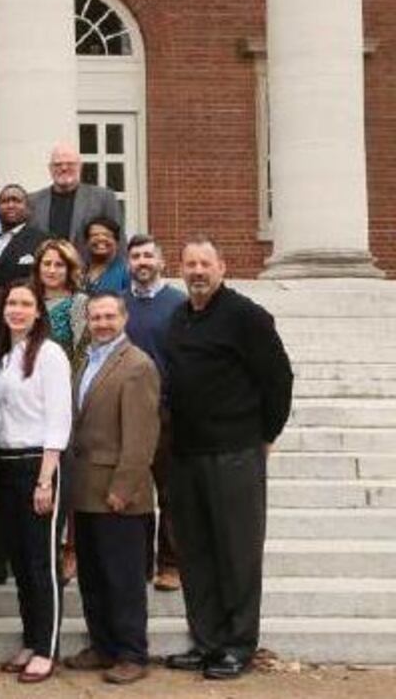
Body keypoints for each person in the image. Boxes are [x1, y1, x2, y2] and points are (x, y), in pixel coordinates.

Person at [162, 238, 292, 682]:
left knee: (237, 554)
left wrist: (267, 434)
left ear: (222, 266)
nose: (197, 271)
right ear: (181, 269)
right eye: (190, 263)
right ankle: (207, 642)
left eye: (205, 263)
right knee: (195, 554)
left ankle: (238, 645)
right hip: (186, 454)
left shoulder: (246, 316)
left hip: (234, 452)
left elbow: (278, 378)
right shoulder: (180, 316)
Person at [63, 293, 161, 685]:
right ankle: (103, 645)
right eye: (96, 317)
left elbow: (141, 437)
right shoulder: (86, 360)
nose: (102, 323)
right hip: (86, 489)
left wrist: (124, 487)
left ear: (124, 318)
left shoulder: (137, 365)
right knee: (93, 576)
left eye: (109, 316)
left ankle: (132, 653)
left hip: (118, 493)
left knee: (123, 579)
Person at [0, 282, 72, 683]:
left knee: (41, 562)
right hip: (6, 464)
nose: (17, 310)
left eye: (26, 304)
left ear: (39, 311)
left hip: (39, 464)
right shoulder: (5, 356)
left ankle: (46, 647)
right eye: (11, 303)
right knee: (20, 562)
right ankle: (30, 638)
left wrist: (45, 480)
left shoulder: (50, 354)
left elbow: (59, 417)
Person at [123, 234, 186, 592]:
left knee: (171, 492)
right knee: (133, 491)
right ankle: (139, 562)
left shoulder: (179, 304)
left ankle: (171, 564)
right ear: (128, 263)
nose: (142, 262)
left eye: (148, 256)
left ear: (161, 262)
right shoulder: (118, 304)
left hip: (166, 411)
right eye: (136, 256)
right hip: (127, 411)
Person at [27, 143, 122, 260]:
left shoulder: (103, 198)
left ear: (80, 166)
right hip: (48, 269)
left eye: (70, 164)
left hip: (90, 269)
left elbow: (119, 241)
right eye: (58, 164)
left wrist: (120, 270)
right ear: (50, 168)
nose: (64, 168)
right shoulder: (33, 201)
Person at [34, 238, 89, 368]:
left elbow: (82, 354)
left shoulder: (78, 301)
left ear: (70, 269)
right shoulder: (29, 299)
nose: (52, 270)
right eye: (47, 264)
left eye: (59, 265)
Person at [0, 184, 48, 288]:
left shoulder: (42, 241)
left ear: (29, 209)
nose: (10, 205)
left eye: (17, 201)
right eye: (5, 201)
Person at [81, 216, 131, 294]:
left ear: (117, 242)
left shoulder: (127, 272)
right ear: (86, 242)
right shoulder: (78, 272)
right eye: (94, 235)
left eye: (107, 235)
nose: (101, 238)